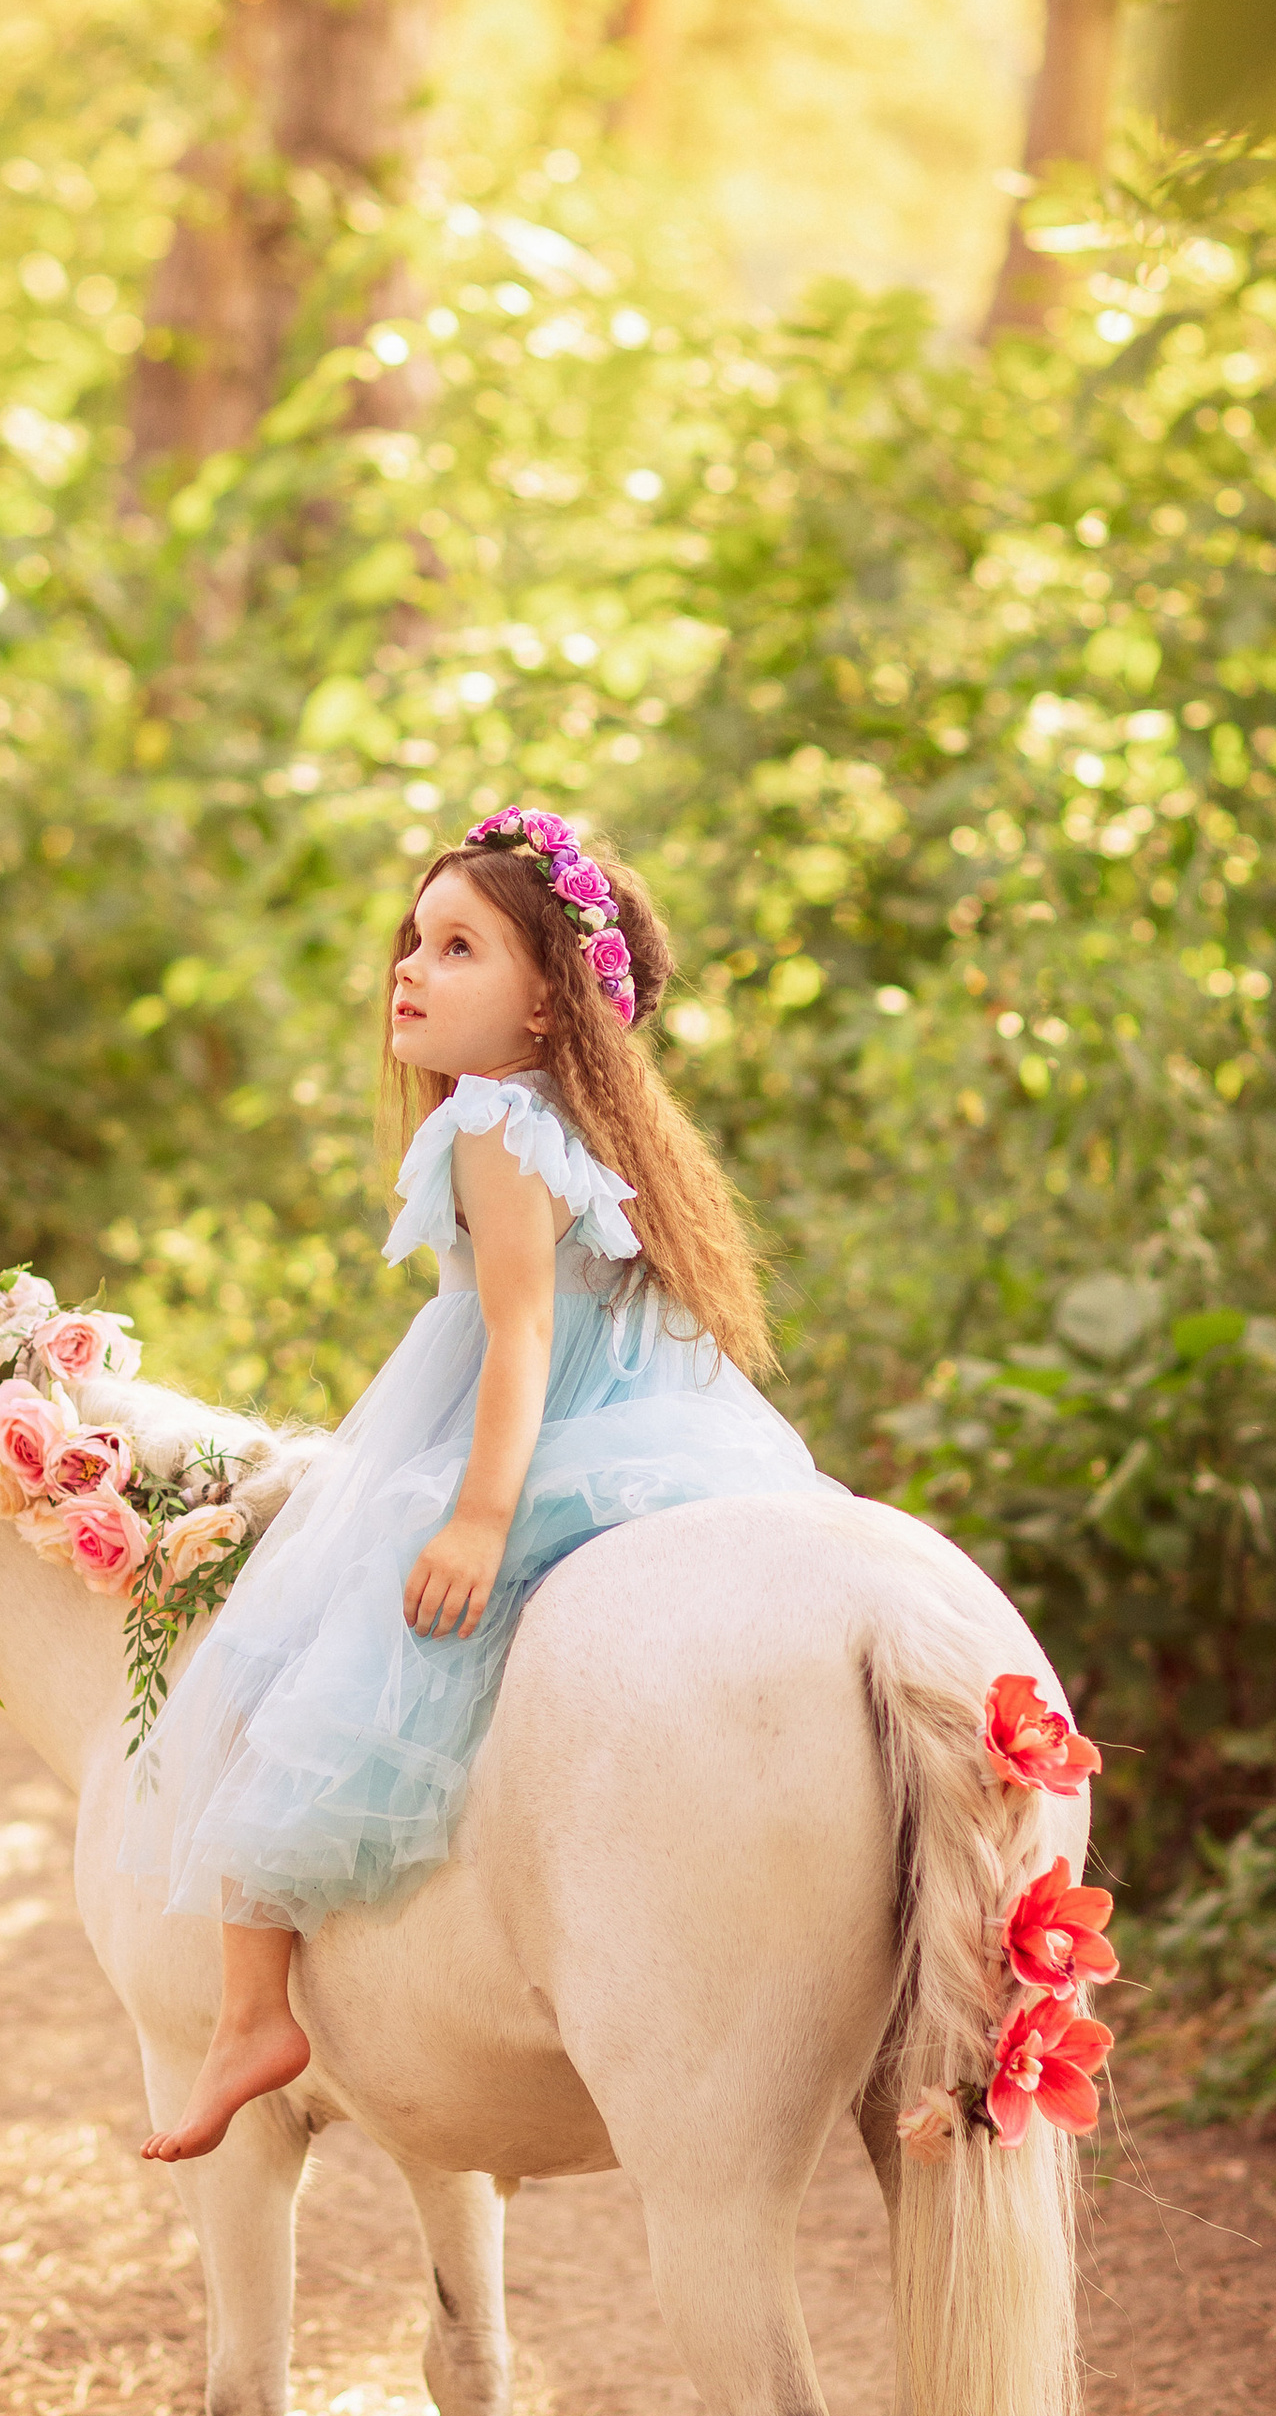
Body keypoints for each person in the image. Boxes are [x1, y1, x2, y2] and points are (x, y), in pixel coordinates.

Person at [131, 804, 836, 2162]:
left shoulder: (499, 1127)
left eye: (459, 947)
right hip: (667, 1426)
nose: (410, 964)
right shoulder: (570, 1121)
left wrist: (477, 1514)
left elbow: (520, 1334)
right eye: (415, 935)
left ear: (541, 1011)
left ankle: (249, 2012)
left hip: (542, 1440)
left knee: (282, 1664)